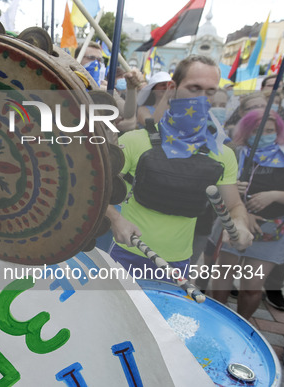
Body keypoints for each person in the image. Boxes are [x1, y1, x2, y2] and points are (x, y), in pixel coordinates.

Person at [106, 55, 253, 280]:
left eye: (210, 91)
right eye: (194, 88)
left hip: (177, 263)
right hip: (125, 255)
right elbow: (95, 191)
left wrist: (240, 225)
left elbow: (233, 205)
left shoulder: (222, 154)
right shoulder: (137, 140)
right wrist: (116, 220)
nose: (202, 98)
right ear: (173, 88)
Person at [208, 110, 284, 320]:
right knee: (223, 275)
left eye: (270, 131)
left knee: (252, 285)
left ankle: (242, 323)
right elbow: (218, 189)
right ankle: (216, 317)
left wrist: (274, 196)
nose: (264, 134)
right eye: (257, 130)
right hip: (236, 225)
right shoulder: (236, 153)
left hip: (272, 229)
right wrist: (241, 210)